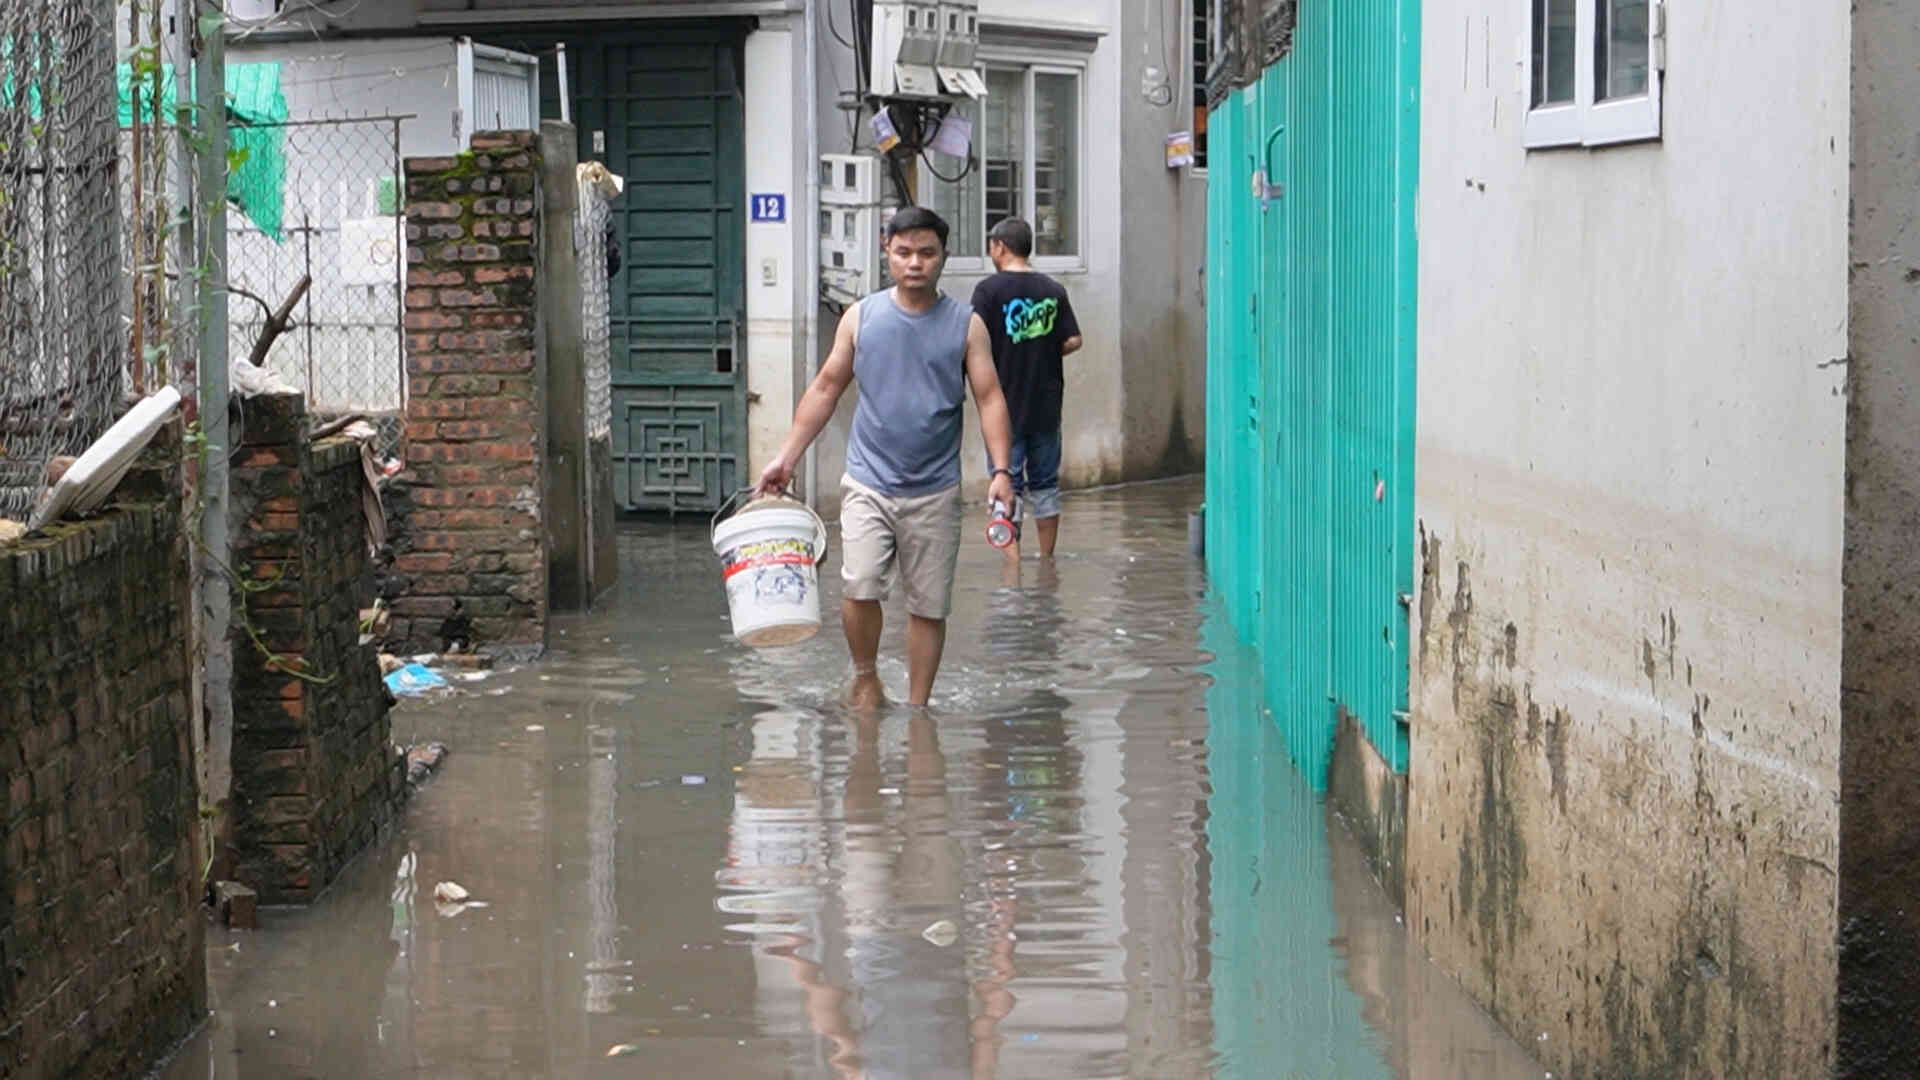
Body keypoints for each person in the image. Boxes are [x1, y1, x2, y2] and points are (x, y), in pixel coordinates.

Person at [756, 206, 1016, 708]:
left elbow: (989, 398)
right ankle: (866, 676)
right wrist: (786, 457)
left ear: (943, 257)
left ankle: (919, 710)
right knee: (859, 588)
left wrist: (1000, 472)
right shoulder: (861, 318)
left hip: (935, 489)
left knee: (928, 605)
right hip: (868, 483)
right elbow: (827, 386)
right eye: (904, 252)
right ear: (886, 252)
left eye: (927, 253)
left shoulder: (967, 325)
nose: (915, 263)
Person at [969, 218, 1083, 563]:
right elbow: (1074, 340)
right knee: (1046, 484)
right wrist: (1043, 350)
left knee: (1007, 483)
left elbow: (973, 339)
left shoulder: (988, 291)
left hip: (1003, 408)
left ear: (1000, 246)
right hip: (1047, 405)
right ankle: (1047, 560)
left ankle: (1013, 563)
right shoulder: (1053, 289)